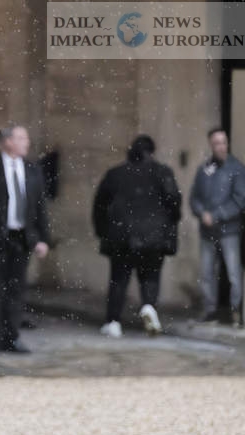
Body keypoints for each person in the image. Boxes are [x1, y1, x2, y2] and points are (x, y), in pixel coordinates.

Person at [92, 135, 182, 338]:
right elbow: (174, 203)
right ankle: (149, 307)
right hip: (154, 237)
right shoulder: (162, 172)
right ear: (152, 152)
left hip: (122, 237)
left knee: (118, 280)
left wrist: (103, 230)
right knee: (150, 277)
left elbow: (100, 205)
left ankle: (113, 322)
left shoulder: (115, 174)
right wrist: (166, 227)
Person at [0, 125, 50, 353]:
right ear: (8, 142)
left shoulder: (32, 169)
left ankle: (11, 336)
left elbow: (39, 207)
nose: (27, 142)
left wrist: (43, 238)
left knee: (17, 289)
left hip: (22, 237)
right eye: (21, 138)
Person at [190, 127, 245, 326]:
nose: (221, 147)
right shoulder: (204, 169)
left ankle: (236, 311)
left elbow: (240, 200)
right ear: (211, 145)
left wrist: (216, 215)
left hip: (229, 231)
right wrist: (201, 213)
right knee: (207, 273)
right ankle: (210, 311)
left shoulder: (236, 168)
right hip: (208, 232)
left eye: (223, 142)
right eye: (216, 143)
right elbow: (194, 197)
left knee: (233, 273)